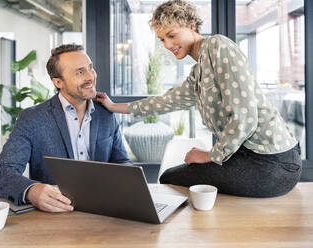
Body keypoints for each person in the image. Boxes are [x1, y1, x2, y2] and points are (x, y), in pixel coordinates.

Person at [95, 0, 302, 197]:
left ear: (192, 25)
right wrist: (113, 106)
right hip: (246, 156)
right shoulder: (199, 70)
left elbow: (245, 117)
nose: (167, 45)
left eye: (172, 35)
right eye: (162, 39)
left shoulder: (218, 46)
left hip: (273, 162)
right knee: (175, 176)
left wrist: (210, 155)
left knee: (170, 178)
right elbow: (167, 101)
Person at [0, 44, 132, 213]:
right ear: (58, 82)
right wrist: (31, 191)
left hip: (105, 211)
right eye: (80, 72)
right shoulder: (32, 119)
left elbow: (121, 161)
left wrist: (130, 180)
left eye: (90, 68)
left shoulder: (106, 113)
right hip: (56, 214)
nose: (90, 77)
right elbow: (2, 172)